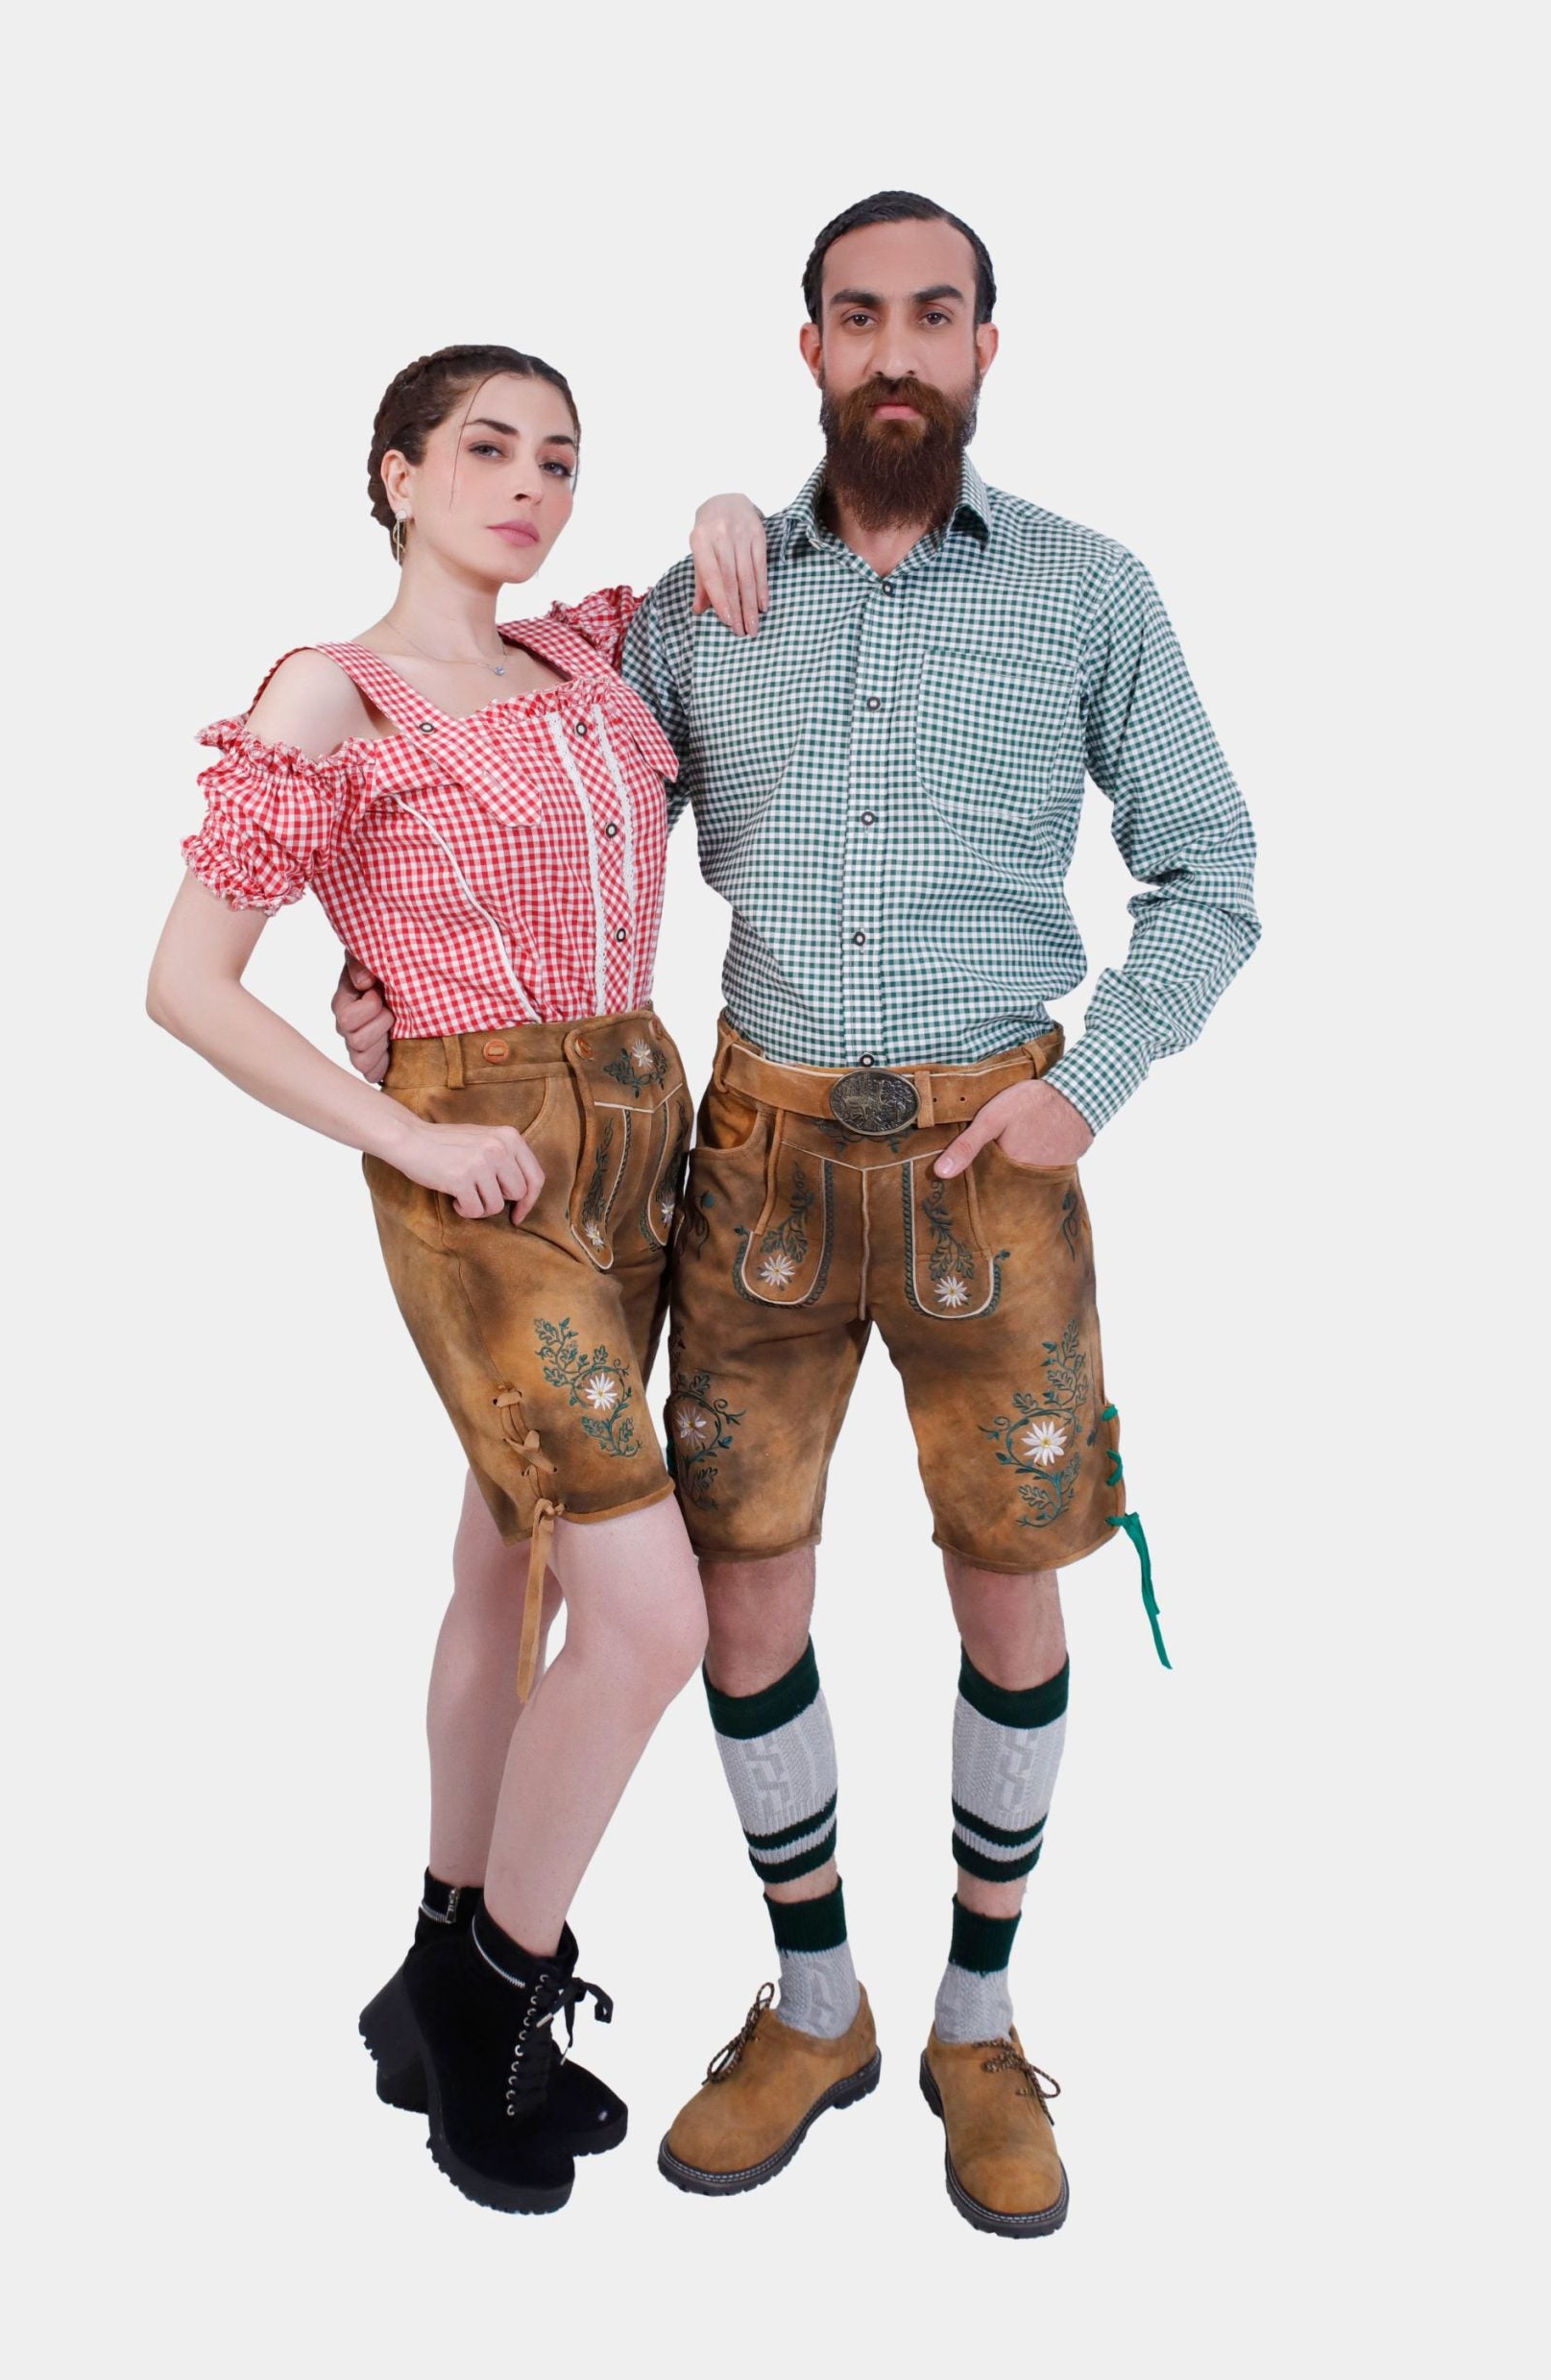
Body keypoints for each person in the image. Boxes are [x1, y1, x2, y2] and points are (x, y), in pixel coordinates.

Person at [338, 195, 1260, 2239]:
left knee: (1009, 1592)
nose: (896, 348)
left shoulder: (1092, 594)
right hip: (743, 1166)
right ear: (810, 348)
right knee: (736, 1598)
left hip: (989, 1168)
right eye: (860, 317)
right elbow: (548, 824)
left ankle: (978, 2025)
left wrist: (1081, 1088)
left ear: (987, 347)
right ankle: (815, 2002)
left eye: (935, 312)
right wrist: (394, 970)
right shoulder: (693, 602)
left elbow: (1210, 871)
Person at [146, 343, 767, 2217]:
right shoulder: (330, 689)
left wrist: (729, 513)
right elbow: (185, 982)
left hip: (633, 1132)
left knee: (504, 1561)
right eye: (485, 447)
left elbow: (728, 573)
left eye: (557, 456)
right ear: (397, 471)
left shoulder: (580, 655)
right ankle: (482, 1990)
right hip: (476, 1164)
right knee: (646, 1612)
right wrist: (404, 1130)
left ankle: (426, 1966)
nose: (526, 481)